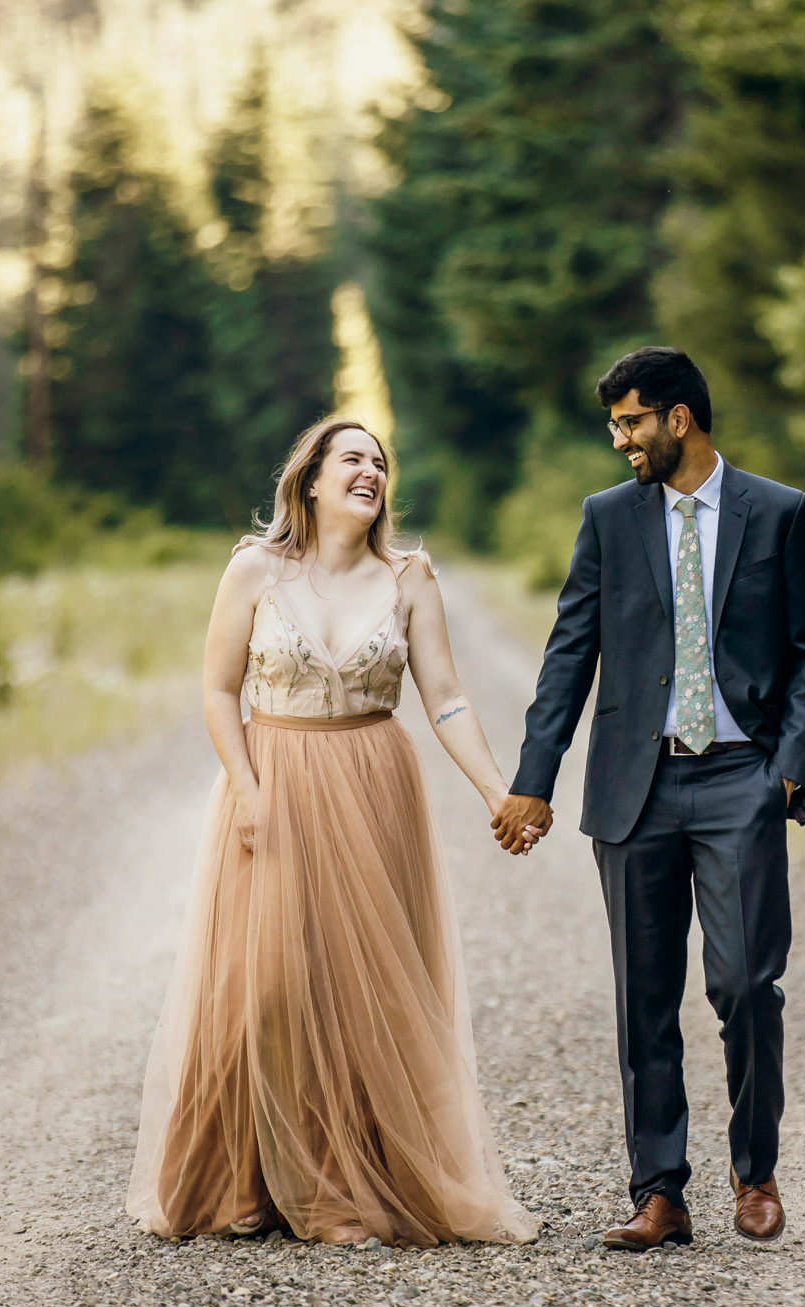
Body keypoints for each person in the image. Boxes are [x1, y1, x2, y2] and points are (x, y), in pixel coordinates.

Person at [127, 416, 537, 1247]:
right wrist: (246, 786)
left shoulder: (410, 577)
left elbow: (447, 697)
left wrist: (501, 790)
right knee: (268, 982)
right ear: (309, 479)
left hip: (374, 780)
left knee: (363, 984)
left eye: (380, 462)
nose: (371, 471)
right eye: (352, 458)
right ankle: (239, 1180)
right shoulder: (255, 569)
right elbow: (217, 690)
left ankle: (338, 1190)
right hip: (274, 777)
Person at [491, 347, 805, 1249]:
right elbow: (570, 654)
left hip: (738, 779)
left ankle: (753, 1168)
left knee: (748, 982)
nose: (620, 441)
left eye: (632, 422)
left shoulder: (778, 512)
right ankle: (659, 1192)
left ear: (678, 418)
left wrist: (786, 772)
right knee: (645, 993)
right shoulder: (608, 519)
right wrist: (535, 778)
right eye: (616, 425)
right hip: (634, 787)